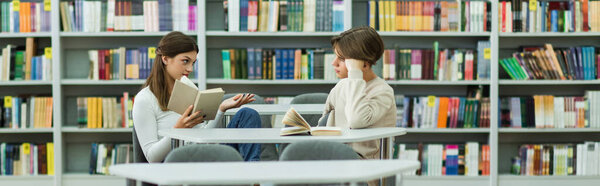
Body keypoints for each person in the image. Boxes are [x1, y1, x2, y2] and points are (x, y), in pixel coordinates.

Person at [133, 31, 261, 162]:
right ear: (165, 59)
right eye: (185, 61)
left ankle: (252, 176)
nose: (190, 69)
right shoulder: (144, 100)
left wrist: (221, 110)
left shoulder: (189, 89)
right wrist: (178, 130)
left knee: (248, 114)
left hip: (203, 154)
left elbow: (204, 138)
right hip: (178, 162)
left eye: (193, 63)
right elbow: (152, 157)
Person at [319, 26, 397, 160]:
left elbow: (356, 120)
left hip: (366, 167)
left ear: (364, 64)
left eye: (342, 59)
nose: (334, 63)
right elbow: (323, 122)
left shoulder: (383, 92)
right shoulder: (342, 85)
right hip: (336, 157)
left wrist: (355, 74)